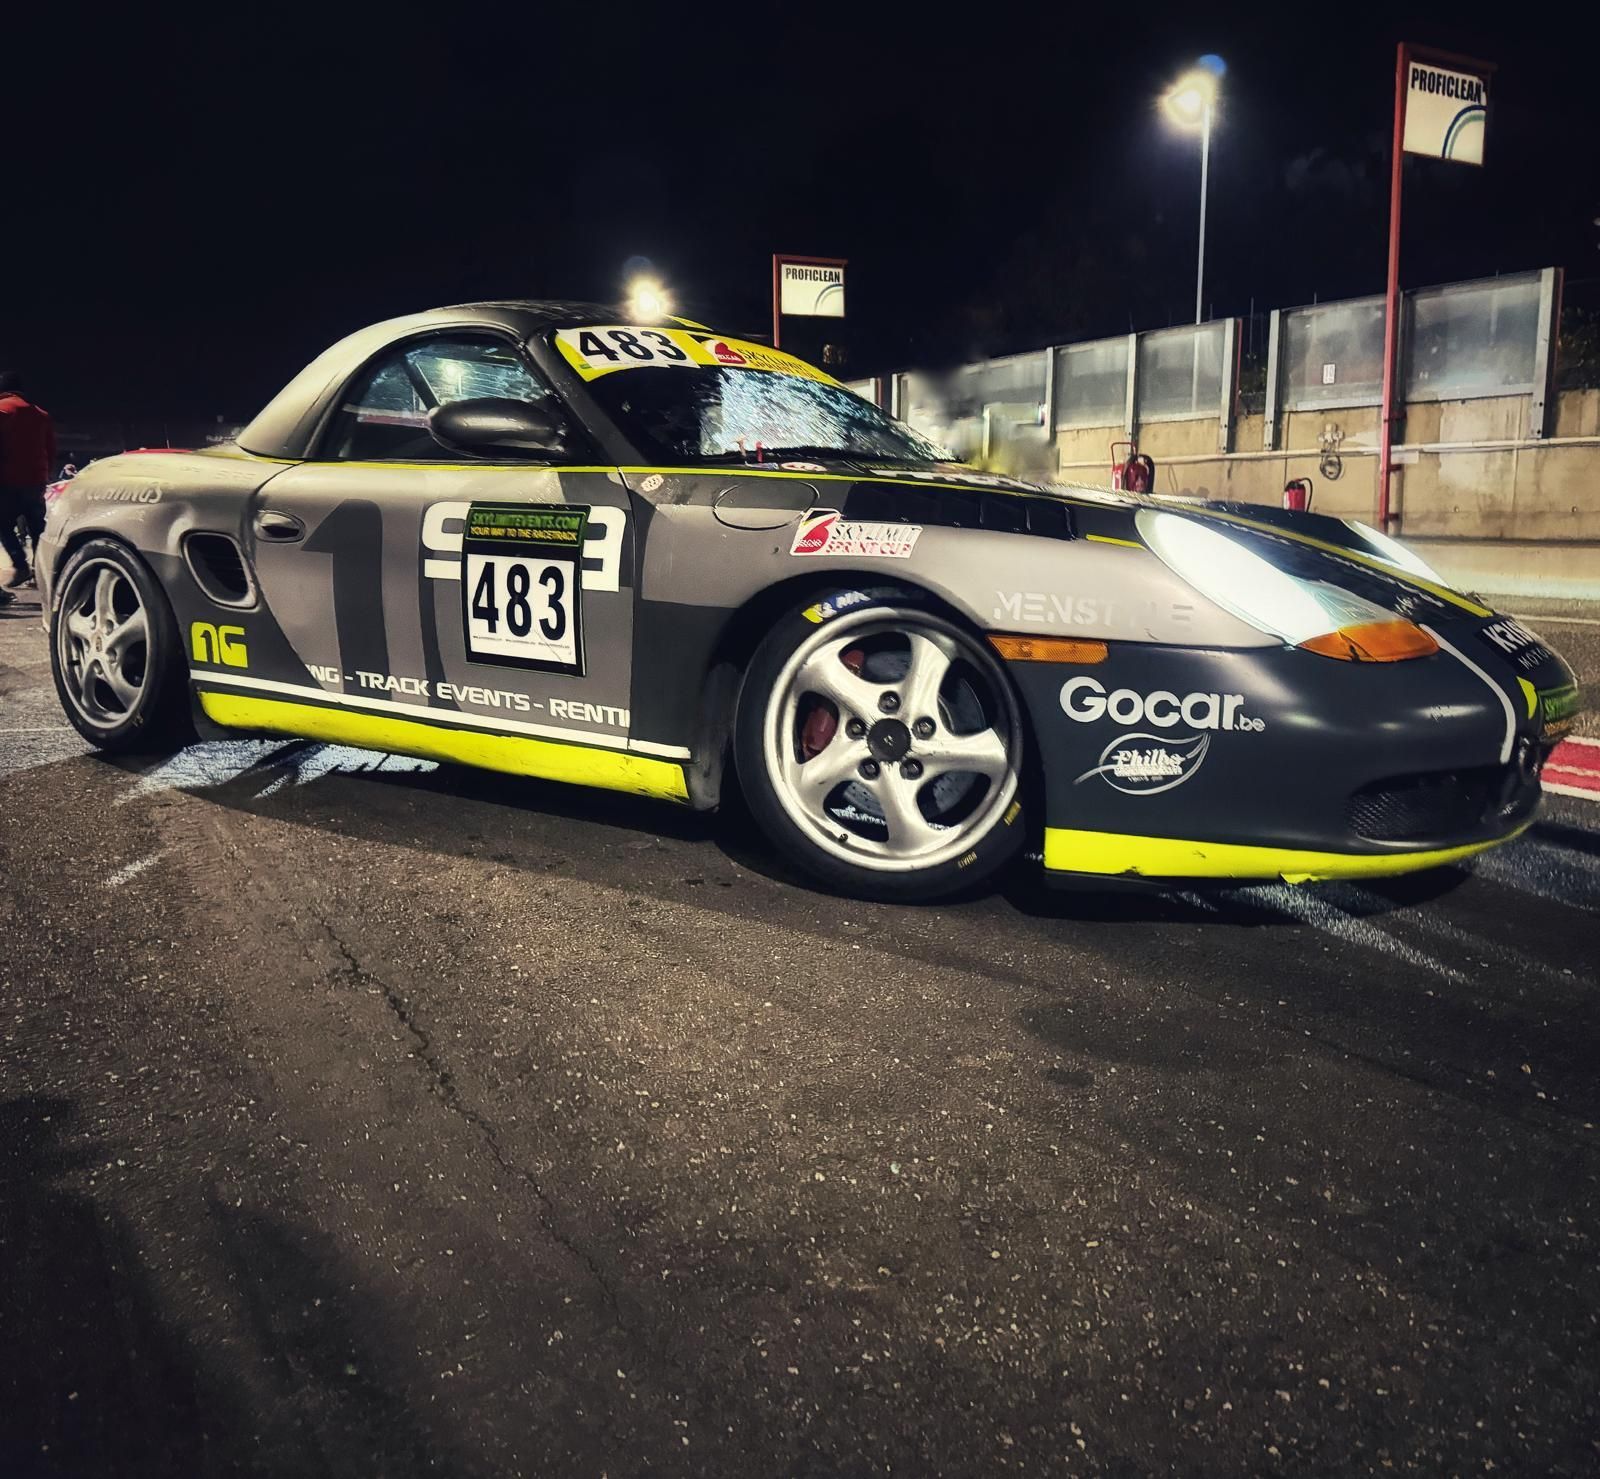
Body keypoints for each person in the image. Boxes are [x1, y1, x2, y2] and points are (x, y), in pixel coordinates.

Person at [0, 370, 57, 588]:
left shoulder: (2, 410)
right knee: (37, 529)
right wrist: (45, 475)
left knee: (3, 525)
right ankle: (43, 573)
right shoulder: (41, 415)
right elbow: (50, 449)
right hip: (36, 481)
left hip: (8, 480)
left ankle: (20, 565)